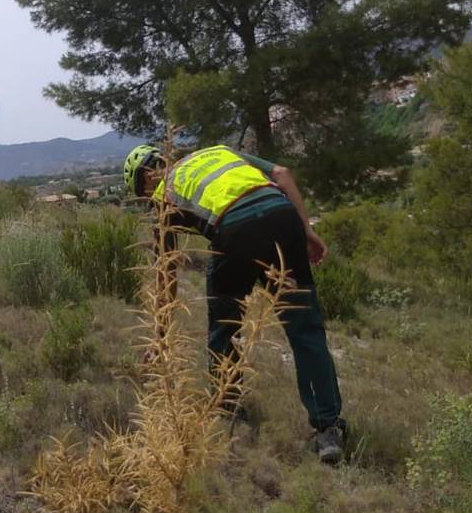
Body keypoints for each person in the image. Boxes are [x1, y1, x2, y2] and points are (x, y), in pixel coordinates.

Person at [123, 142, 347, 463]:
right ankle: (328, 429)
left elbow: (166, 275)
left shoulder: (163, 196)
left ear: (147, 176)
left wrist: (160, 336)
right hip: (283, 217)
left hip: (234, 230)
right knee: (305, 329)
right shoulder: (218, 151)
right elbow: (282, 174)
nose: (147, 203)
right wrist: (306, 232)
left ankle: (228, 411)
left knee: (224, 329)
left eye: (142, 195)